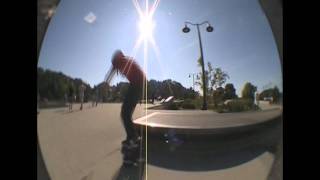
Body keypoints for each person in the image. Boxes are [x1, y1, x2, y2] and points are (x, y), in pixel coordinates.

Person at [105, 50, 145, 165]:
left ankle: (134, 142)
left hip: (138, 84)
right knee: (126, 113)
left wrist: (106, 84)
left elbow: (110, 73)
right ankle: (131, 139)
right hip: (138, 84)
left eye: (114, 65)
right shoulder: (124, 60)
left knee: (125, 113)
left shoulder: (120, 60)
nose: (114, 67)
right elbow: (111, 73)